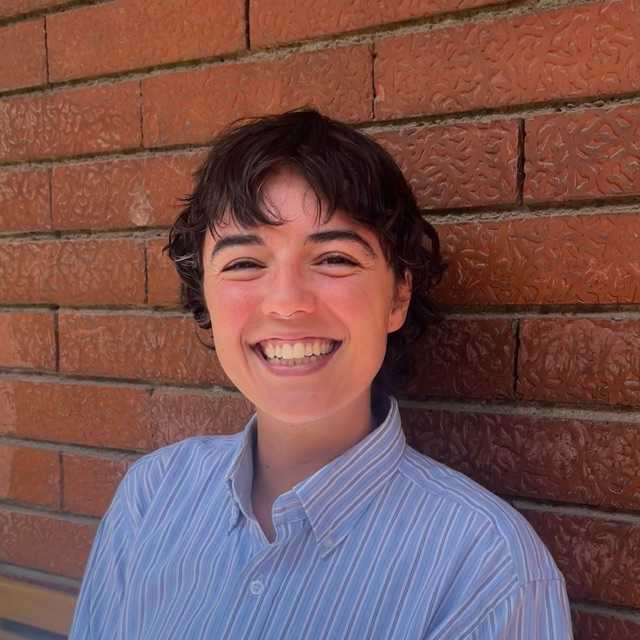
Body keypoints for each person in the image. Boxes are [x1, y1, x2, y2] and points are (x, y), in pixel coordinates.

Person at [68, 108, 573, 639]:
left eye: (334, 258)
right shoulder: (153, 495)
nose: (287, 302)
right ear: (206, 298)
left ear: (398, 294)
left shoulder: (485, 570)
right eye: (244, 263)